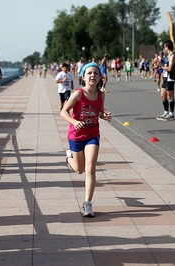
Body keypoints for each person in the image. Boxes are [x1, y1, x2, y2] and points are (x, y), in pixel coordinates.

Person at [60, 62, 111, 217]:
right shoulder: (78, 94)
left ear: (100, 77)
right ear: (83, 76)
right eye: (89, 73)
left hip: (92, 135)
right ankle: (69, 158)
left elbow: (98, 112)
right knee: (79, 170)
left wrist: (104, 116)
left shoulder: (101, 95)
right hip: (76, 136)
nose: (92, 76)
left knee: (90, 168)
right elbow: (63, 111)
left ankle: (87, 204)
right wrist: (75, 122)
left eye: (96, 73)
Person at [156, 40, 175, 121]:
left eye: (165, 47)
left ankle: (171, 114)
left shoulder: (173, 56)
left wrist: (161, 66)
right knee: (163, 96)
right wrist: (159, 66)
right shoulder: (167, 56)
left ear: (167, 47)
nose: (164, 49)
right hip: (165, 78)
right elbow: (165, 66)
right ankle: (165, 112)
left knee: (170, 96)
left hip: (170, 78)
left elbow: (170, 68)